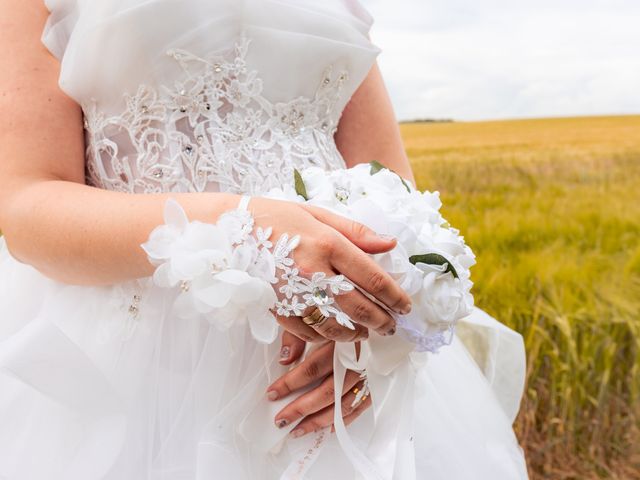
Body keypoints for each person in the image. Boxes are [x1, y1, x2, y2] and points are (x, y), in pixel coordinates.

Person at [0, 1, 529, 478]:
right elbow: (26, 204)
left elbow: (389, 185)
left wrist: (383, 333)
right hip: (144, 365)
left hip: (330, 365)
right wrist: (243, 230)